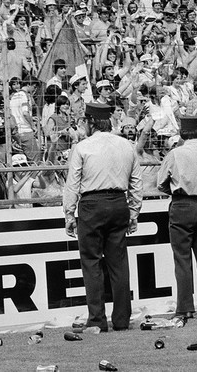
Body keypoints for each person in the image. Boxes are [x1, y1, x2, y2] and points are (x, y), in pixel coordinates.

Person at [63, 103, 143, 333]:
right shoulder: (126, 145)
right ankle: (121, 319)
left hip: (91, 205)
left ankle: (97, 319)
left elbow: (73, 184)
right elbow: (136, 183)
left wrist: (69, 214)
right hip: (118, 202)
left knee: (91, 262)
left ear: (90, 122)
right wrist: (134, 212)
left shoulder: (82, 147)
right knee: (119, 263)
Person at [157, 116, 197, 320]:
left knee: (182, 259)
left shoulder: (175, 153)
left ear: (182, 133)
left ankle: (186, 307)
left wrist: (173, 190)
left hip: (182, 204)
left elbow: (161, 182)